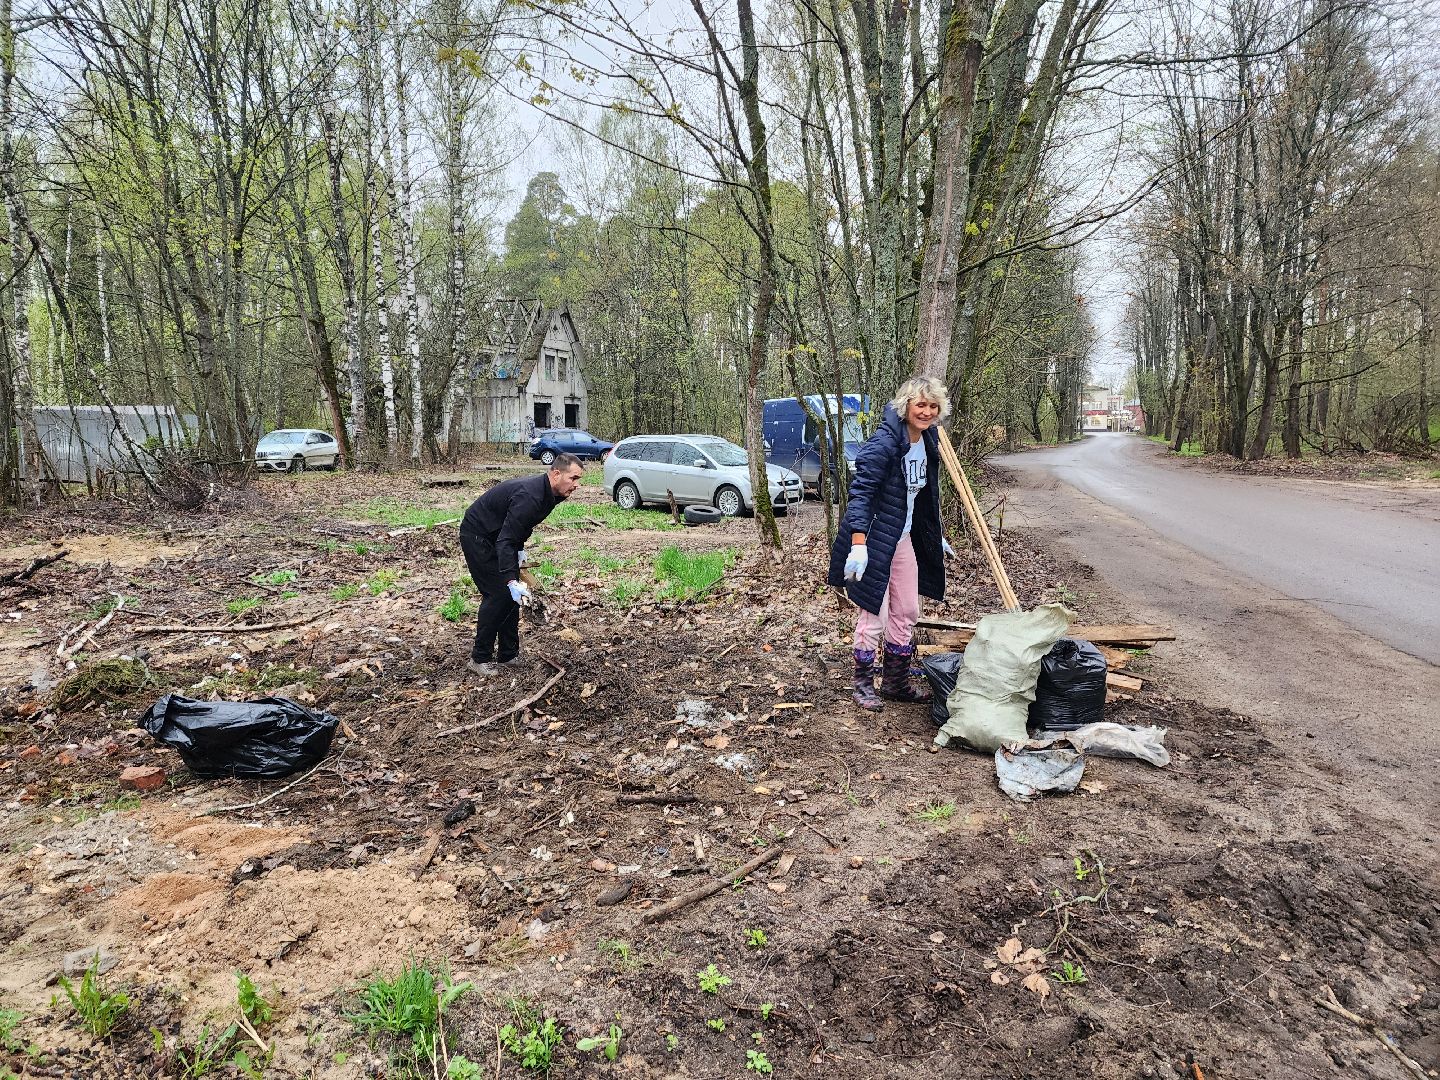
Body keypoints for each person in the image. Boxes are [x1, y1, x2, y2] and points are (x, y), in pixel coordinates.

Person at [827, 376, 954, 711]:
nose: (926, 412)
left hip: (903, 538)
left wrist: (934, 534)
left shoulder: (927, 442)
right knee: (874, 614)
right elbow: (861, 494)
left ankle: (896, 682)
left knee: (908, 610)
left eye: (932, 406)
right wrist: (858, 544)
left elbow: (923, 496)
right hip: (872, 540)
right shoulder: (883, 444)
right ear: (906, 406)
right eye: (920, 404)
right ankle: (863, 684)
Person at [459, 453, 584, 675]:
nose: (576, 485)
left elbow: (520, 526)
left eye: (578, 480)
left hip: (499, 536)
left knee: (511, 597)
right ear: (556, 474)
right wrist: (510, 578)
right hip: (478, 534)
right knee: (498, 594)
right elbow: (506, 539)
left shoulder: (552, 493)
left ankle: (508, 655)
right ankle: (479, 658)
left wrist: (519, 551)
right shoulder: (531, 495)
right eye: (573, 478)